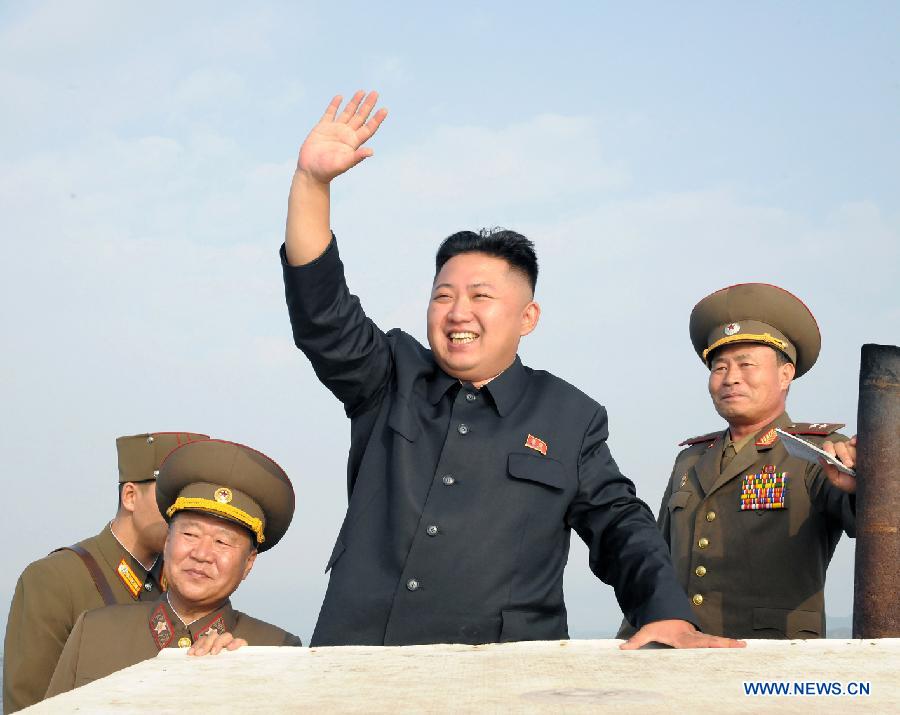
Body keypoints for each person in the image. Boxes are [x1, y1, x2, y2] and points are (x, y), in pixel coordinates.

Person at [281, 90, 742, 650]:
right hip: (357, 662)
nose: (458, 313)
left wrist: (666, 612)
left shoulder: (570, 417)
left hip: (504, 678)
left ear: (528, 317)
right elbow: (321, 312)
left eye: (480, 296)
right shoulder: (389, 376)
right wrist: (311, 181)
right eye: (443, 295)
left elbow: (620, 523)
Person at [619, 283, 857, 640]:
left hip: (773, 657)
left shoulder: (818, 453)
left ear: (785, 374)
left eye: (746, 364)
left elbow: (875, 525)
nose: (730, 378)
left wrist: (874, 481)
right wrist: (633, 635)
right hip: (685, 655)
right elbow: (659, 564)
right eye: (719, 368)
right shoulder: (690, 459)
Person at [45, 438, 301, 698]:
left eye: (222, 542)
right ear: (167, 541)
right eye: (190, 534)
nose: (202, 554)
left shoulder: (275, 651)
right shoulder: (94, 632)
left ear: (248, 563)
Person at [3, 431, 208, 713]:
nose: (182, 514)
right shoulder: (55, 579)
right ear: (130, 496)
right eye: (170, 498)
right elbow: (29, 704)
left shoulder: (186, 585)